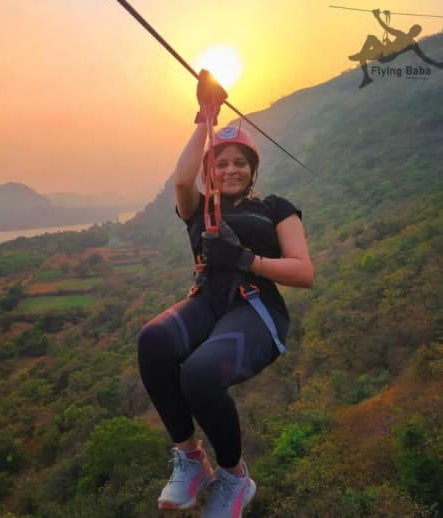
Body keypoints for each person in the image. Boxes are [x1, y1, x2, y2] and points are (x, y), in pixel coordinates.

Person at [137, 70, 314, 517]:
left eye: (240, 162)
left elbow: (303, 272)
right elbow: (180, 180)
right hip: (207, 301)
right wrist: (205, 116)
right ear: (210, 170)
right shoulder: (198, 206)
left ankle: (235, 477)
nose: (230, 169)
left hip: (255, 306)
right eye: (221, 162)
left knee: (198, 373)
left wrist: (245, 260)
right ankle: (191, 460)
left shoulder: (273, 208)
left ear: (252, 170)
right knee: (153, 341)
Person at [348, 8, 442, 88]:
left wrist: (438, 65)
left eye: (416, 32)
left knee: (370, 50)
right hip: (384, 51)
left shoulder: (411, 42)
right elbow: (387, 28)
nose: (414, 33)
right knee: (371, 38)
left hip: (386, 56)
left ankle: (362, 57)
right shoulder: (404, 37)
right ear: (411, 30)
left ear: (415, 33)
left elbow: (424, 57)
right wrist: (378, 17)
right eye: (414, 31)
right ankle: (366, 76)